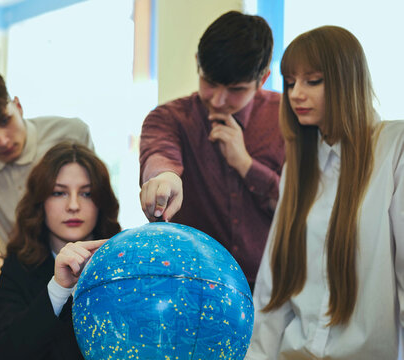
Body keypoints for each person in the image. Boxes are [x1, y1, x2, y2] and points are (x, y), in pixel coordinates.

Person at [246, 26, 404, 359]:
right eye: (290, 83)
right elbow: (272, 290)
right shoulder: (299, 166)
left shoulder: (394, 149)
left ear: (347, 80)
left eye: (312, 81)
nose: (295, 94)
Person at [139, 11, 284, 289]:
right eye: (209, 83)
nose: (218, 100)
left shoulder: (286, 120)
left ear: (263, 79)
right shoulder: (169, 118)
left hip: (275, 293)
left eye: (235, 89)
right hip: (193, 289)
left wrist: (246, 165)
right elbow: (160, 153)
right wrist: (165, 180)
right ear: (197, 64)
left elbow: (303, 210)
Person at [0, 71, 94, 342]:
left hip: (84, 275)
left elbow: (99, 205)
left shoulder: (71, 134)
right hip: (20, 283)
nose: (1, 140)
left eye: (5, 120)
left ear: (18, 105)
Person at [0, 141, 121, 359]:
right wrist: (58, 288)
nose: (73, 205)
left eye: (86, 194)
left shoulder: (123, 264)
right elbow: (1, 354)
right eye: (59, 193)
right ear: (41, 201)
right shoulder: (19, 266)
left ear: (101, 203)